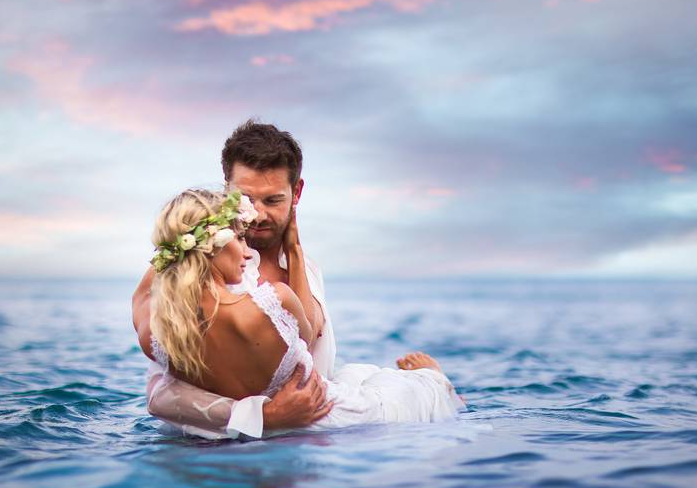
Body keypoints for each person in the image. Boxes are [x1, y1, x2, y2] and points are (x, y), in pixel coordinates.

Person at [132, 120, 462, 439]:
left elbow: (310, 337)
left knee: (365, 376)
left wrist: (296, 253)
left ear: (296, 192)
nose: (259, 214)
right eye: (247, 198)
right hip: (228, 436)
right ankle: (431, 384)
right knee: (393, 390)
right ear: (226, 191)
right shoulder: (179, 277)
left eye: (273, 200)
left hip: (316, 418)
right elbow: (161, 393)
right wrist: (263, 416)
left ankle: (433, 384)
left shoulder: (305, 271)